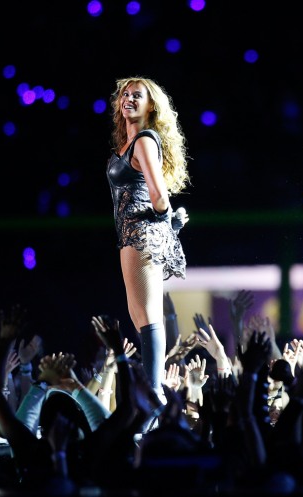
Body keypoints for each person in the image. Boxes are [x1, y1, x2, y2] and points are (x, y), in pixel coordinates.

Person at [105, 76, 191, 414]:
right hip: (133, 234)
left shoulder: (143, 141)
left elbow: (158, 194)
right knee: (141, 315)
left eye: (137, 95)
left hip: (141, 233)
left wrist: (166, 220)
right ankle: (151, 397)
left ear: (150, 105)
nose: (128, 98)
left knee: (147, 316)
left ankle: (153, 399)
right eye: (125, 94)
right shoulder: (131, 143)